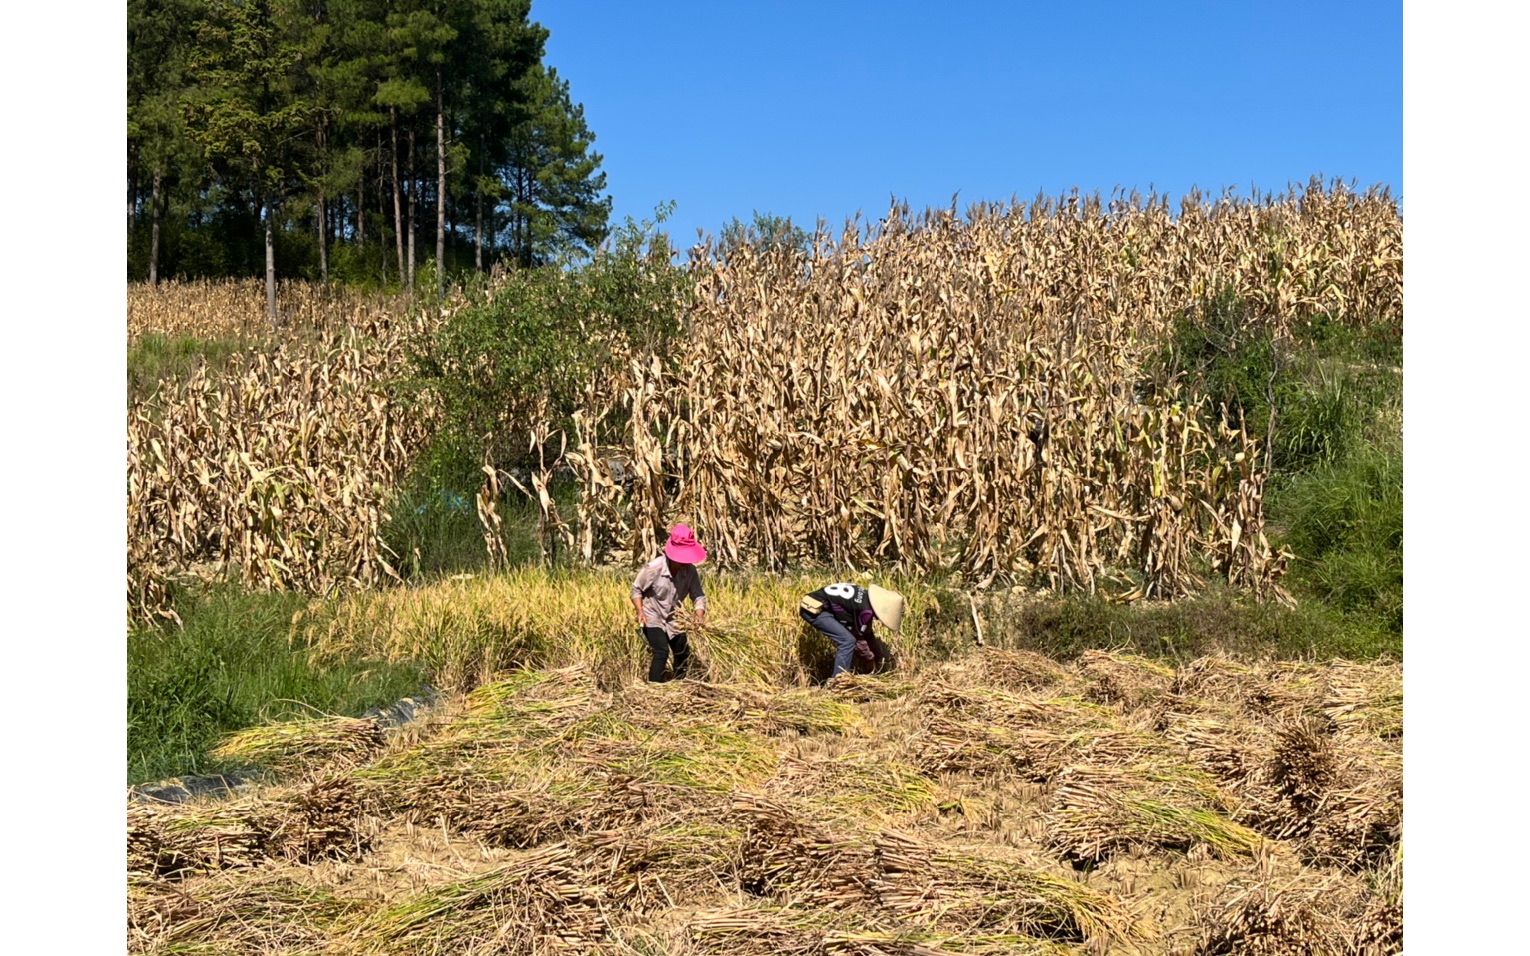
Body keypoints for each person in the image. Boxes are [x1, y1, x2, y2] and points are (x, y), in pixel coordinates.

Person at [631, 524, 708, 682]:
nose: (683, 563)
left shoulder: (690, 571)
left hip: (674, 616)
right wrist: (640, 611)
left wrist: (699, 616)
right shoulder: (654, 568)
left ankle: (678, 685)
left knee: (682, 651)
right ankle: (654, 690)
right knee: (661, 652)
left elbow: (698, 595)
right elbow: (636, 590)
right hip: (652, 614)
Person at [799, 581, 903, 679]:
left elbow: (867, 634)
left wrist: (879, 655)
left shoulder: (864, 597)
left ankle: (840, 677)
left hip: (818, 604)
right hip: (813, 609)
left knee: (848, 639)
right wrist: (872, 659)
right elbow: (860, 641)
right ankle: (838, 681)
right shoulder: (865, 611)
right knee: (847, 641)